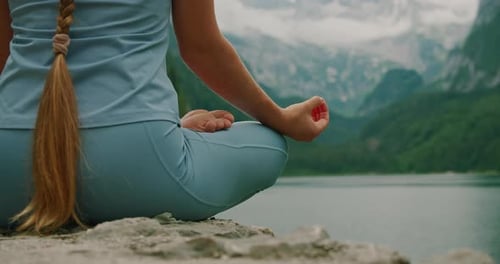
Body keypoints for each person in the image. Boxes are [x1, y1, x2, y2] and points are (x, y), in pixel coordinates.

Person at [0, 0, 329, 233]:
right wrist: (281, 119)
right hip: (139, 166)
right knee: (268, 143)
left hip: (11, 170)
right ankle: (170, 135)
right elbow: (202, 48)